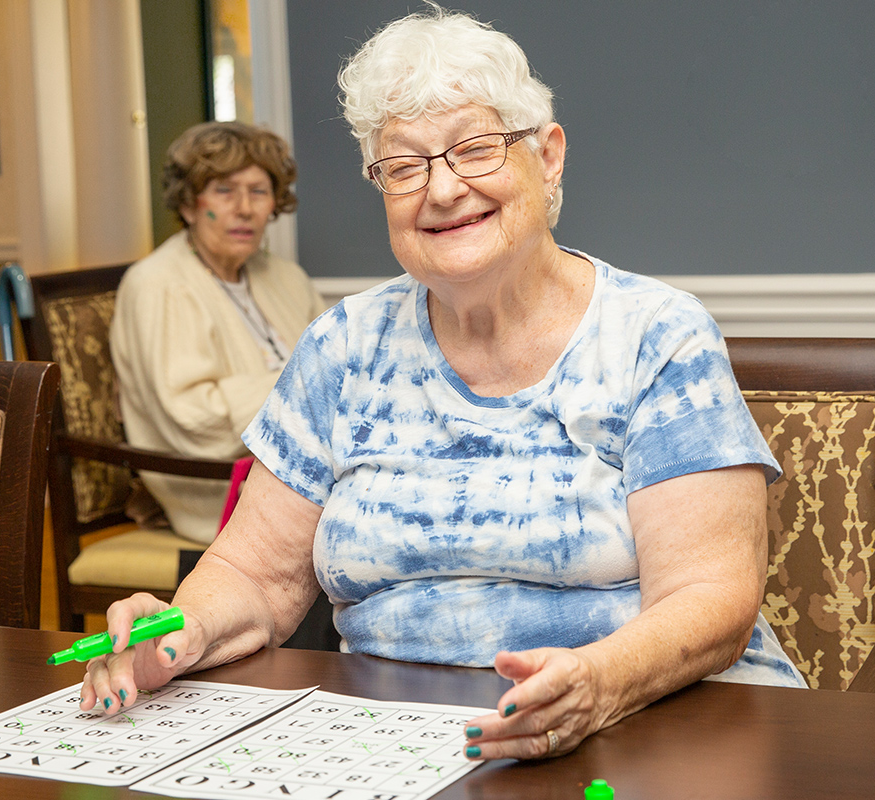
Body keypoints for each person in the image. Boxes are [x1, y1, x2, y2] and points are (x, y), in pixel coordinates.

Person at [83, 5, 806, 759]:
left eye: (476, 148)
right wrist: (180, 631)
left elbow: (711, 598)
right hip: (400, 740)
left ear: (548, 157)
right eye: (404, 165)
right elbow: (252, 574)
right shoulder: (343, 346)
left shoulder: (656, 336)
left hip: (657, 725)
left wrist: (596, 682)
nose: (443, 189)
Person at [110, 122, 326, 545]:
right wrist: (305, 386)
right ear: (190, 204)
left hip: (300, 472)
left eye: (259, 191)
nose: (244, 208)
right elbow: (196, 421)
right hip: (218, 489)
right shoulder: (159, 285)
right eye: (224, 191)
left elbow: (338, 368)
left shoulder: (284, 276)